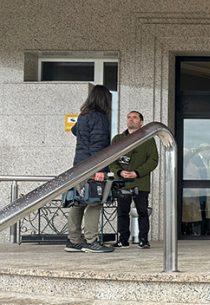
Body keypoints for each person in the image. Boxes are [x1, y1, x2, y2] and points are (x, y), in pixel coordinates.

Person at [65, 85, 114, 253]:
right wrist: (100, 169)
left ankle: (73, 241)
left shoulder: (83, 116)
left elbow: (75, 130)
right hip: (93, 166)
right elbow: (98, 146)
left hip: (79, 166)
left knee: (78, 202)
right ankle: (91, 241)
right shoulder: (99, 118)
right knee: (95, 201)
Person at [109, 111, 159, 249]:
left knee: (142, 211)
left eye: (135, 117)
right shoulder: (118, 139)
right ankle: (123, 240)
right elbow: (110, 159)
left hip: (140, 182)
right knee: (122, 212)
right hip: (122, 181)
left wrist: (136, 173)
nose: (131, 119)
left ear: (141, 122)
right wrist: (119, 171)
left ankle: (143, 240)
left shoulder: (148, 139)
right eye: (129, 117)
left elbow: (153, 160)